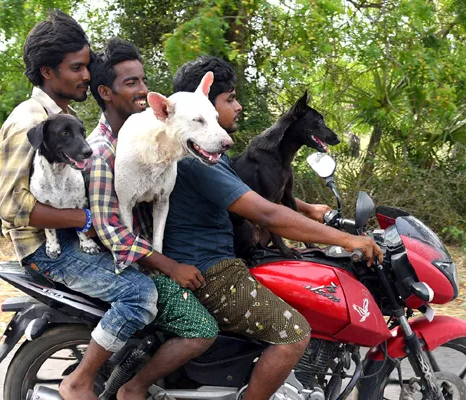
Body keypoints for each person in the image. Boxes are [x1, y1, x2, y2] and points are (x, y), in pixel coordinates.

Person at [163, 56, 383, 400]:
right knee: (294, 333)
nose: (237, 106)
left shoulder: (208, 153)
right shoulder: (195, 157)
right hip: (210, 268)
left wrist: (309, 210)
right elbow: (266, 213)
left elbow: (251, 194)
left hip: (217, 258)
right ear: (204, 101)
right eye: (230, 99)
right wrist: (346, 239)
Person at [0, 11, 156, 400]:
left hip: (74, 238)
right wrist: (86, 218)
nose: (87, 75)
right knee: (141, 294)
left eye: (87, 66)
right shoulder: (28, 121)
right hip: (48, 249)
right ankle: (80, 380)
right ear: (48, 72)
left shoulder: (62, 117)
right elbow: (11, 205)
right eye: (77, 68)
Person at [86, 38, 218, 400]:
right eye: (131, 83)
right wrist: (169, 266)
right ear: (105, 92)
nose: (143, 90)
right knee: (202, 328)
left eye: (143, 80)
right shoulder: (102, 153)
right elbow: (112, 230)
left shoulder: (153, 138)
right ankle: (133, 388)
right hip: (131, 267)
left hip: (151, 258)